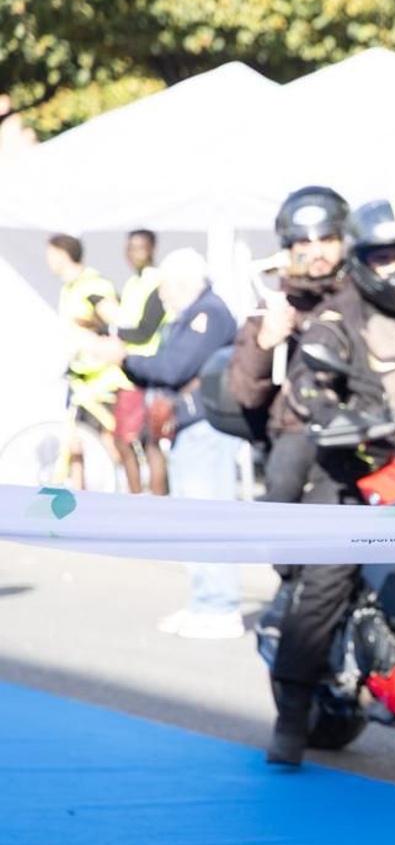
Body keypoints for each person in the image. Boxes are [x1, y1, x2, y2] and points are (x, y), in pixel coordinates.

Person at [266, 199, 395, 767]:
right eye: (381, 257)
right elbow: (309, 383)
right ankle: (291, 713)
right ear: (360, 261)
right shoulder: (338, 318)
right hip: (362, 465)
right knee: (329, 576)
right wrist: (332, 414)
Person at [113, 249, 241, 638]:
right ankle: (204, 601)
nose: (162, 295)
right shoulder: (193, 314)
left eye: (165, 286)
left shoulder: (209, 314)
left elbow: (173, 368)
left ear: (182, 282)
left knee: (208, 518)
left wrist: (125, 359)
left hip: (207, 426)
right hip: (190, 426)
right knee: (194, 518)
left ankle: (220, 606)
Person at [229, 186, 350, 507]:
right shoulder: (273, 305)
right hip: (298, 427)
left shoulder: (362, 301)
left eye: (327, 240)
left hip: (362, 428)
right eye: (305, 243)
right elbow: (244, 391)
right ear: (287, 249)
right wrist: (265, 343)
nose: (316, 252)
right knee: (282, 489)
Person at [44, 233, 129, 489]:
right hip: (79, 379)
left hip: (100, 381)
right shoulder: (69, 288)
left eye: (50, 254)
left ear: (61, 254)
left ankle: (127, 491)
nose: (47, 260)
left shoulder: (93, 285)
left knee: (108, 441)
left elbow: (119, 322)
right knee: (74, 444)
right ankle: (76, 506)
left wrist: (95, 327)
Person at [112, 229, 168, 495]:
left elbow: (145, 330)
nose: (133, 253)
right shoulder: (135, 282)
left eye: (139, 247)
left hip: (145, 371)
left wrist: (109, 332)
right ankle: (141, 499)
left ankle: (147, 502)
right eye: (129, 246)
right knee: (136, 442)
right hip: (129, 368)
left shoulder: (156, 282)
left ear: (152, 249)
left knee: (138, 441)